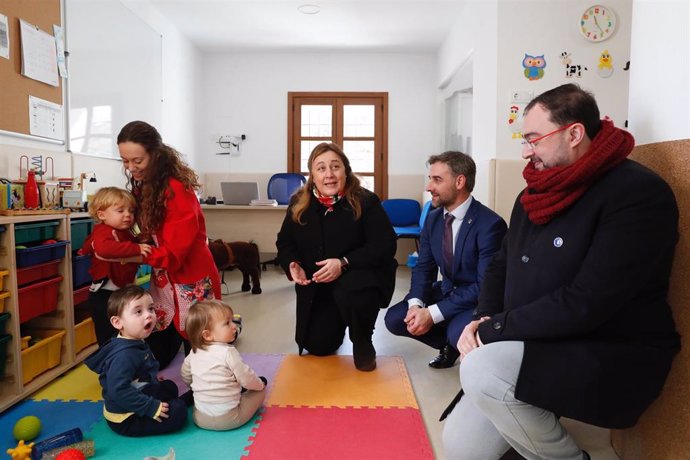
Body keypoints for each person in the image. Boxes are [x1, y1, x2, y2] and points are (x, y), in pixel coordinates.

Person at [442, 83, 680, 460]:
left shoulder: (637, 194)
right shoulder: (533, 193)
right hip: (535, 342)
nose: (525, 151)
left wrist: (492, 331)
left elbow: (589, 302)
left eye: (534, 139)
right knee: (461, 449)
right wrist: (485, 315)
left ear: (573, 134)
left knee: (482, 371)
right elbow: (501, 264)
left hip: (607, 351)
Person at [276, 142, 398, 371]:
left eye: (335, 167)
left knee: (349, 290)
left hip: (359, 282)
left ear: (346, 170)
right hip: (319, 287)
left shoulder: (366, 201)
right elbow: (285, 241)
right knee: (318, 346)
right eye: (321, 168)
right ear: (312, 175)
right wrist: (292, 263)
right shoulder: (299, 203)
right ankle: (339, 319)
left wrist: (343, 263)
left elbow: (385, 244)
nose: (329, 174)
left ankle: (362, 339)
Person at [384, 152, 506, 369]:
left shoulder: (490, 225)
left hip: (476, 301)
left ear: (460, 182)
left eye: (437, 180)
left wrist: (432, 314)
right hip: (448, 290)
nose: (429, 187)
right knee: (396, 318)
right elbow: (424, 268)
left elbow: (484, 285)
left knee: (455, 331)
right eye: (430, 179)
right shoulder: (433, 219)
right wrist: (417, 305)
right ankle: (449, 343)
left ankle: (452, 343)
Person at [117, 120, 222, 369]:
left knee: (204, 352)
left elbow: (174, 255)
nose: (131, 168)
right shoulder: (146, 186)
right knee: (160, 354)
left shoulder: (176, 190)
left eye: (137, 161)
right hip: (165, 279)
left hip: (191, 276)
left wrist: (132, 256)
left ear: (155, 154)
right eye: (125, 161)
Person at [85, 285, 188, 437]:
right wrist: (151, 407)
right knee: (179, 411)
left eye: (151, 309)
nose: (149, 315)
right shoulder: (123, 356)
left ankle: (170, 400)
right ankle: (176, 403)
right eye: (138, 311)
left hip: (139, 393)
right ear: (118, 322)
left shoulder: (134, 339)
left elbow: (141, 367)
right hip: (126, 418)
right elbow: (119, 391)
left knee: (170, 387)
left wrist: (151, 378)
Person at [80, 187, 152, 345]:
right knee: (108, 337)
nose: (128, 215)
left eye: (131, 211)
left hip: (119, 292)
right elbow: (104, 249)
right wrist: (136, 249)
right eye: (120, 211)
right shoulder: (104, 231)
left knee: (121, 334)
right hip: (104, 295)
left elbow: (137, 241)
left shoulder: (124, 231)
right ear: (102, 215)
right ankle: (110, 366)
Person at [181, 300, 266, 430]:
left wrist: (198, 386)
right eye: (227, 323)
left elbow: (185, 374)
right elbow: (246, 378)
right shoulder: (228, 352)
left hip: (200, 418)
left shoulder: (194, 352)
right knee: (260, 392)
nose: (234, 326)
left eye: (232, 320)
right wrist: (259, 385)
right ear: (207, 335)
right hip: (229, 419)